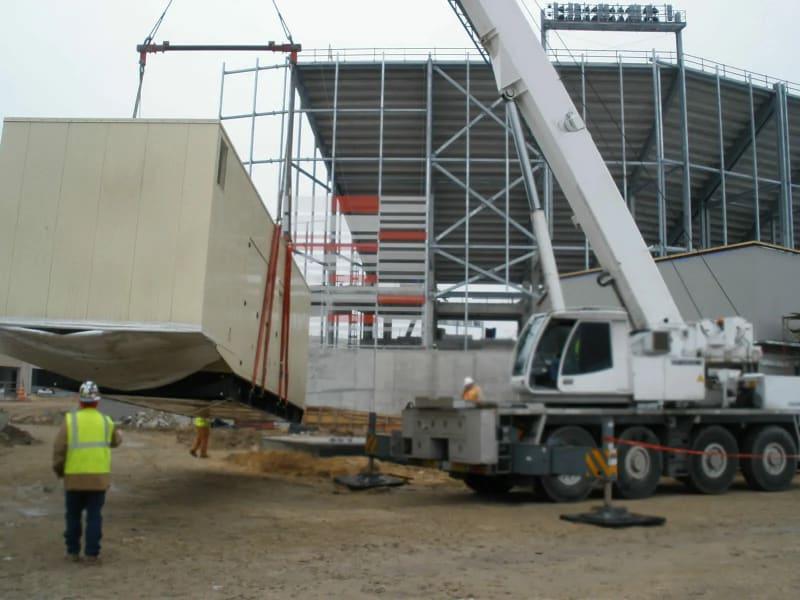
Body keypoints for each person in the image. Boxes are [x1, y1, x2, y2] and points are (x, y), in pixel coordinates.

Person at [52, 381, 121, 564]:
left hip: (74, 478)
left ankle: (72, 552)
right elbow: (116, 441)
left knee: (73, 516)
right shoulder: (106, 421)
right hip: (98, 479)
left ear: (80, 401)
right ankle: (92, 554)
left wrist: (60, 470)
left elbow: (59, 449)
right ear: (97, 402)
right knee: (94, 516)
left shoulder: (70, 421)